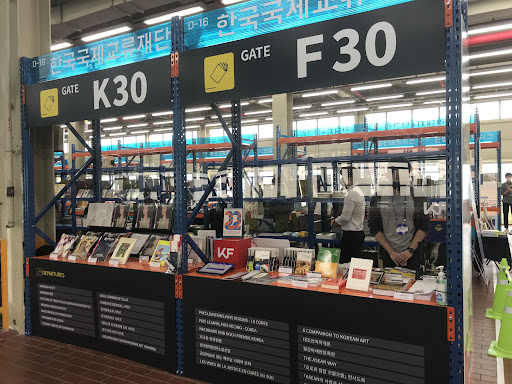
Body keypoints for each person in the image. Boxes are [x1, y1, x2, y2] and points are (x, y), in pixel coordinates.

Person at [368, 158, 430, 271]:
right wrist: (391, 252)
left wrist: (410, 251)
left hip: (412, 254)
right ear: (388, 174)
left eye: (402, 170)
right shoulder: (378, 197)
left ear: (409, 174)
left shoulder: (418, 196)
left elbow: (424, 225)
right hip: (389, 255)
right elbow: (373, 226)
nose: (397, 174)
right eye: (393, 170)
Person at [333, 167, 366, 263]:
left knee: (346, 264)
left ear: (350, 178)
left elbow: (345, 217)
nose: (342, 180)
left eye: (343, 177)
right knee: (354, 264)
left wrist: (335, 221)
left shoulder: (351, 194)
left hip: (351, 235)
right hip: (357, 234)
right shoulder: (358, 191)